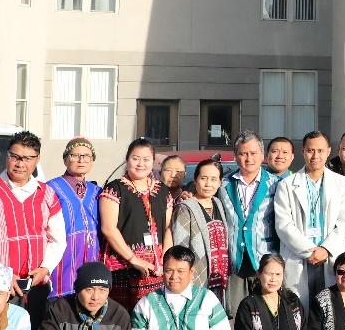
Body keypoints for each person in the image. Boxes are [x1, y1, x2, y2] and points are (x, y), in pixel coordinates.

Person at [0, 131, 65, 318]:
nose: (20, 164)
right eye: (15, 157)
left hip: (36, 285)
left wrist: (46, 268)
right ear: (7, 155)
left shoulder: (47, 193)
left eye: (28, 158)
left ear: (37, 159)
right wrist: (2, 274)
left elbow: (58, 238)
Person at [273, 131, 345, 302]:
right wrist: (309, 251)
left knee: (331, 307)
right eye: (311, 150)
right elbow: (283, 224)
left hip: (330, 255)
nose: (315, 155)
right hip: (299, 256)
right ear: (303, 152)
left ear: (328, 152)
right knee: (299, 308)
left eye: (320, 151)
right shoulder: (286, 185)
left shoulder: (341, 183)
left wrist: (325, 249)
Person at [98, 138, 171, 311]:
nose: (140, 164)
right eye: (135, 158)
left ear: (153, 162)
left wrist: (165, 260)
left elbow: (168, 228)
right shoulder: (114, 189)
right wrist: (133, 259)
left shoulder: (162, 190)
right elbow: (108, 229)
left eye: (146, 159)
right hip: (122, 269)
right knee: (123, 318)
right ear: (127, 159)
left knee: (153, 317)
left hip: (156, 269)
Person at [216, 131, 281, 312]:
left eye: (253, 153)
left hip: (265, 258)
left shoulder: (276, 184)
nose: (249, 158)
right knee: (237, 314)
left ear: (262, 155)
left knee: (266, 313)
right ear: (235, 156)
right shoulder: (223, 185)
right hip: (234, 259)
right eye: (243, 153)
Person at [46, 137, 102, 298]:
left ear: (92, 161)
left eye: (86, 156)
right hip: (63, 255)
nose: (81, 160)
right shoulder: (51, 188)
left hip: (92, 254)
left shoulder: (98, 191)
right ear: (65, 159)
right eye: (75, 155)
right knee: (62, 300)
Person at [170, 159, 233, 302]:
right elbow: (181, 248)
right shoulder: (185, 208)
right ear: (195, 180)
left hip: (220, 278)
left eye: (214, 179)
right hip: (197, 278)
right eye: (203, 178)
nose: (208, 184)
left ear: (220, 182)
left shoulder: (218, 203)